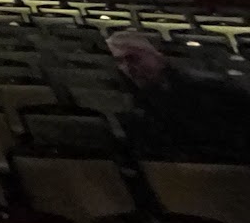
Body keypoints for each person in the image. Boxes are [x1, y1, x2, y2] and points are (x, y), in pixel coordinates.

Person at [107, 30, 250, 158]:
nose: (128, 68)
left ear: (158, 57)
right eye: (120, 62)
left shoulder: (210, 90)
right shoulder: (130, 97)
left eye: (134, 58)